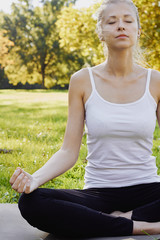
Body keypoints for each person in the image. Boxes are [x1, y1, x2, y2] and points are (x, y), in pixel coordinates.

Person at [10, 0, 160, 238]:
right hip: (99, 193)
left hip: (149, 190)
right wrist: (34, 179)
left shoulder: (156, 81)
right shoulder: (82, 80)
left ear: (138, 31)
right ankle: (140, 224)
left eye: (128, 21)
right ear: (101, 33)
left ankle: (120, 218)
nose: (121, 26)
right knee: (32, 202)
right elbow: (69, 151)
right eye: (112, 22)